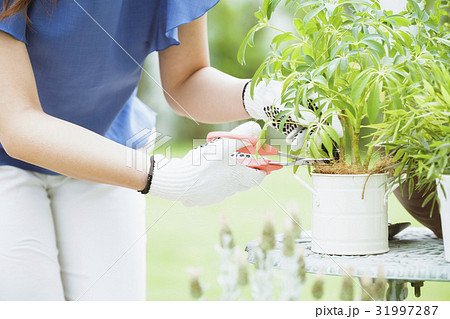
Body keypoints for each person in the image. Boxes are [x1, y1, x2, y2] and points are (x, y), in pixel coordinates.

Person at [0, 0, 320, 301]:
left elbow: (186, 79)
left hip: (105, 145)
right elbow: (18, 124)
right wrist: (171, 177)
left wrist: (259, 95)